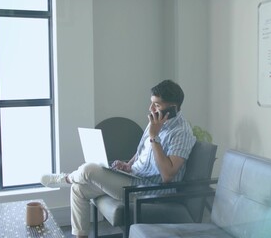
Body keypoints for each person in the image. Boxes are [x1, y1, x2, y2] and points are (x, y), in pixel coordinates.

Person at [41, 79, 196, 238]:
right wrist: (128, 165)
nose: (150, 109)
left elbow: (168, 175)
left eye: (156, 105)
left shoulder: (181, 132)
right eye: (151, 103)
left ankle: (66, 178)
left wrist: (154, 137)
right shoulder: (155, 122)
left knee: (90, 170)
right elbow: (142, 151)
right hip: (134, 177)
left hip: (150, 189)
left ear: (173, 108)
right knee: (78, 189)